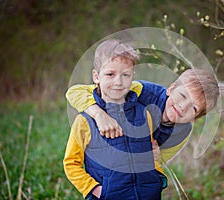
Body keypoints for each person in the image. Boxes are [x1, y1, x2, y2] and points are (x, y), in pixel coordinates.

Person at [63, 39, 170, 200]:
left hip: (148, 194)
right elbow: (71, 163)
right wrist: (97, 190)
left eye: (125, 75)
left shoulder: (144, 113)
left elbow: (149, 150)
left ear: (133, 76)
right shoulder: (84, 122)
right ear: (96, 76)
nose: (118, 82)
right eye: (110, 74)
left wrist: (155, 177)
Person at [66, 68, 219, 164]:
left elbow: (161, 161)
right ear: (171, 89)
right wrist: (98, 114)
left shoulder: (182, 132)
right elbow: (75, 92)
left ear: (195, 118)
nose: (183, 107)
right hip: (104, 150)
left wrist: (156, 157)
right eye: (183, 95)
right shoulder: (141, 90)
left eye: (193, 108)